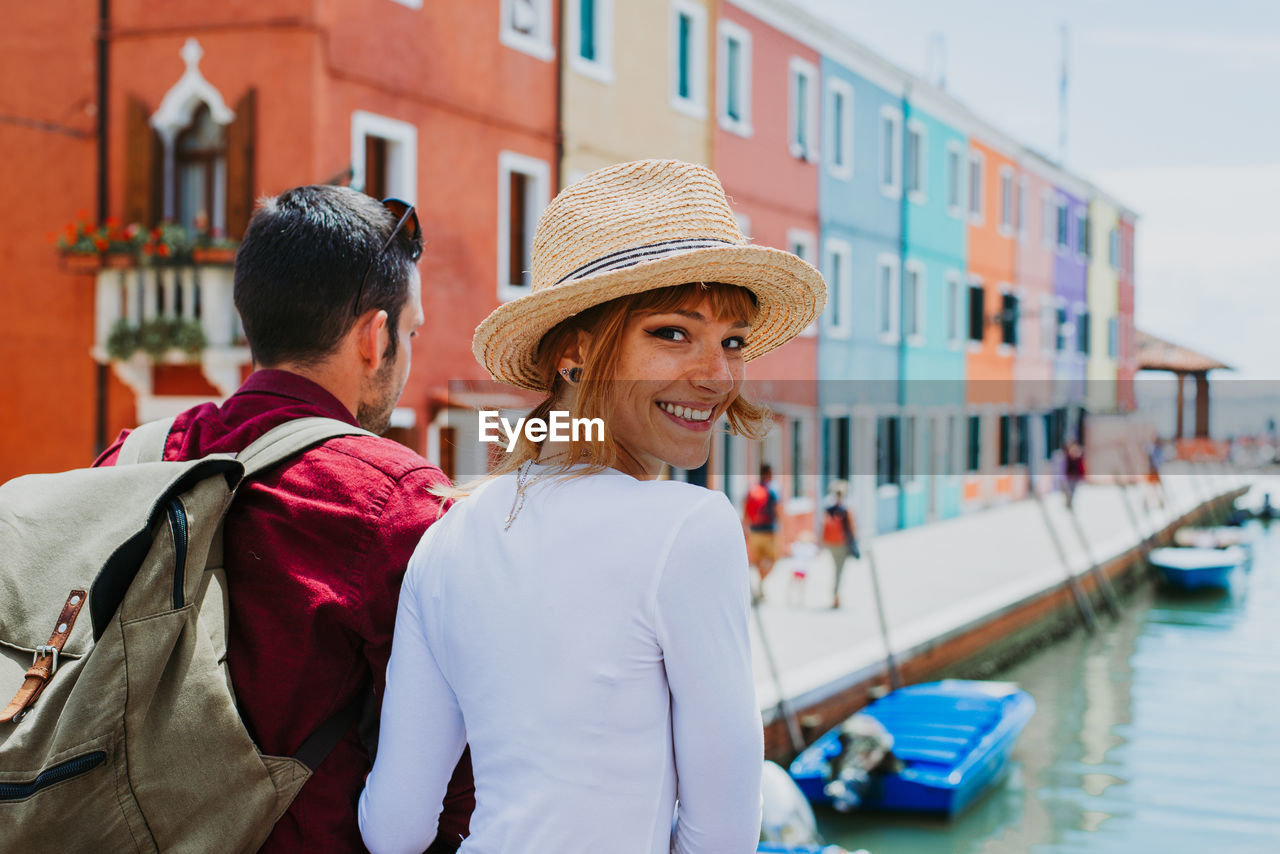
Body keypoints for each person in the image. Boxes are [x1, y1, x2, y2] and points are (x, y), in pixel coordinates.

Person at [357, 159, 827, 854]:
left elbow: (393, 830)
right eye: (673, 333)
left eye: (732, 342)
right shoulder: (689, 529)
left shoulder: (447, 538)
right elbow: (724, 839)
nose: (719, 375)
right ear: (574, 352)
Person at [94, 186, 474, 853]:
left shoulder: (128, 458)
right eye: (410, 331)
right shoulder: (399, 502)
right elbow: (459, 776)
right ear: (374, 336)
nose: (408, 353)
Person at [821, 480, 860, 609]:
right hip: (842, 543)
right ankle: (836, 595)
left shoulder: (829, 508)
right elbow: (852, 528)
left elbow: (823, 526)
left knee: (836, 569)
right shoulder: (846, 509)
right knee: (839, 570)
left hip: (832, 543)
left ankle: (835, 595)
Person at [744, 463, 780, 596]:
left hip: (755, 530)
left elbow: (746, 510)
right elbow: (777, 511)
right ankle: (761, 583)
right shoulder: (771, 491)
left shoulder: (751, 489)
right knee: (773, 559)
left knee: (759, 560)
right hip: (768, 531)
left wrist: (746, 528)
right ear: (769, 474)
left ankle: (761, 586)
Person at [1064, 440, 1086, 509]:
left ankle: (1070, 501)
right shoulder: (1069, 457)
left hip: (1075, 476)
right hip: (1070, 476)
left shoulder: (1078, 457)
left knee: (1073, 490)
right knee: (1069, 489)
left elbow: (1081, 467)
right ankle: (1068, 501)